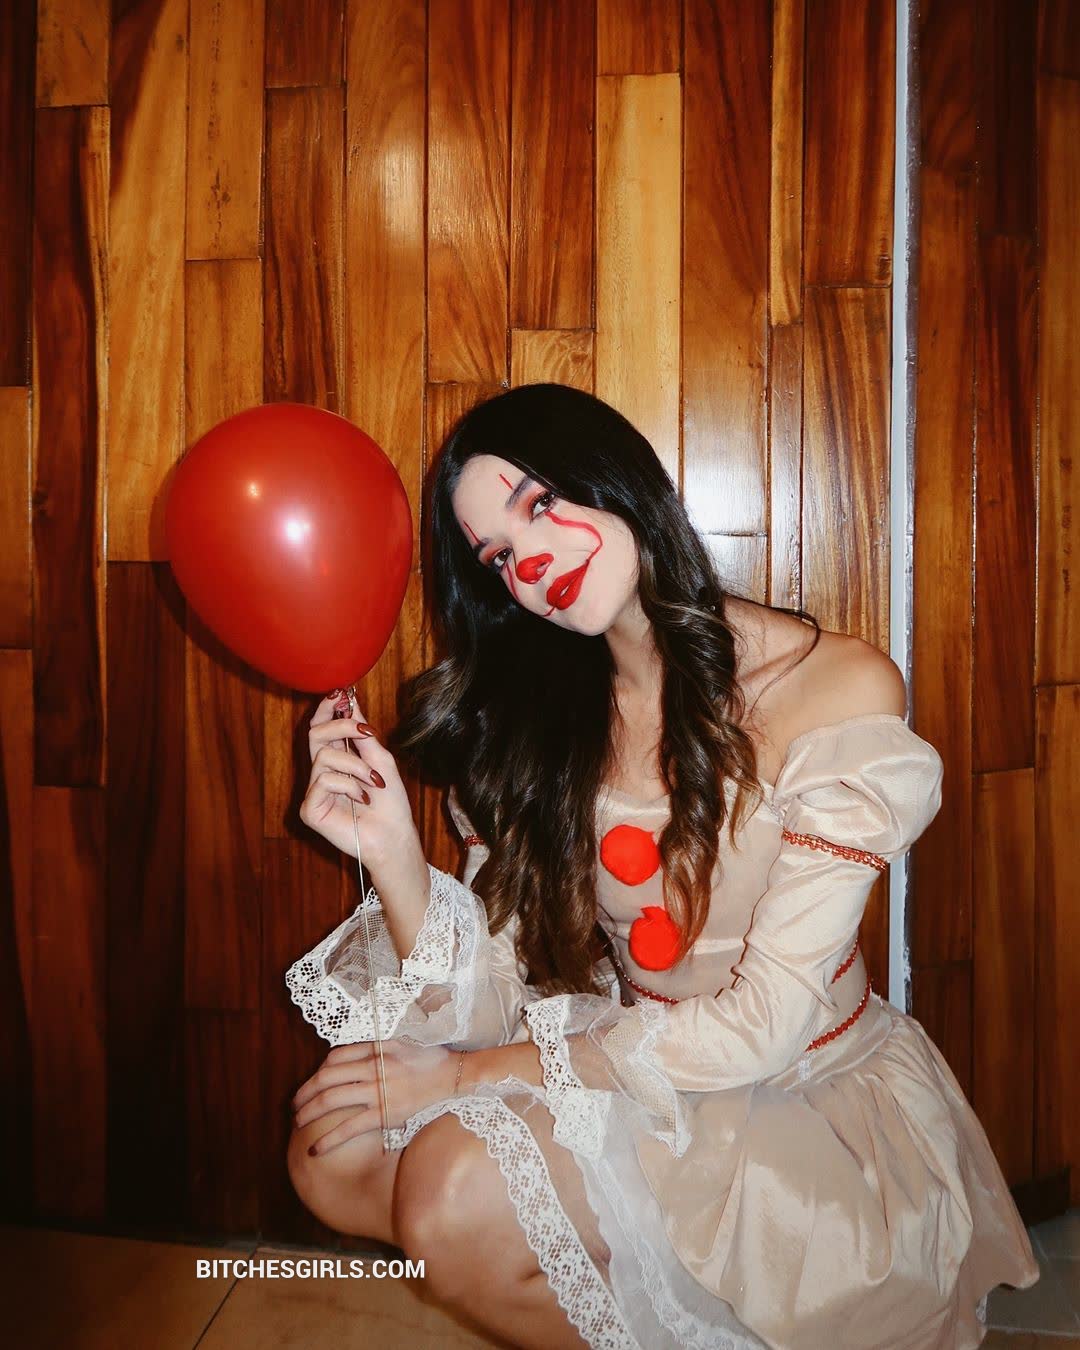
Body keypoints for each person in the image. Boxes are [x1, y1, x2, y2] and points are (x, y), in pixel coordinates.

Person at [284, 384, 1038, 1349]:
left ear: (617, 477)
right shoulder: (537, 719)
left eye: (541, 502)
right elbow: (492, 1000)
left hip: (792, 1084)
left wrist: (464, 1079)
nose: (531, 562)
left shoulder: (835, 688)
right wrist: (391, 852)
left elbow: (764, 1027)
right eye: (499, 556)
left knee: (449, 1194)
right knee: (333, 1154)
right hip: (628, 1054)